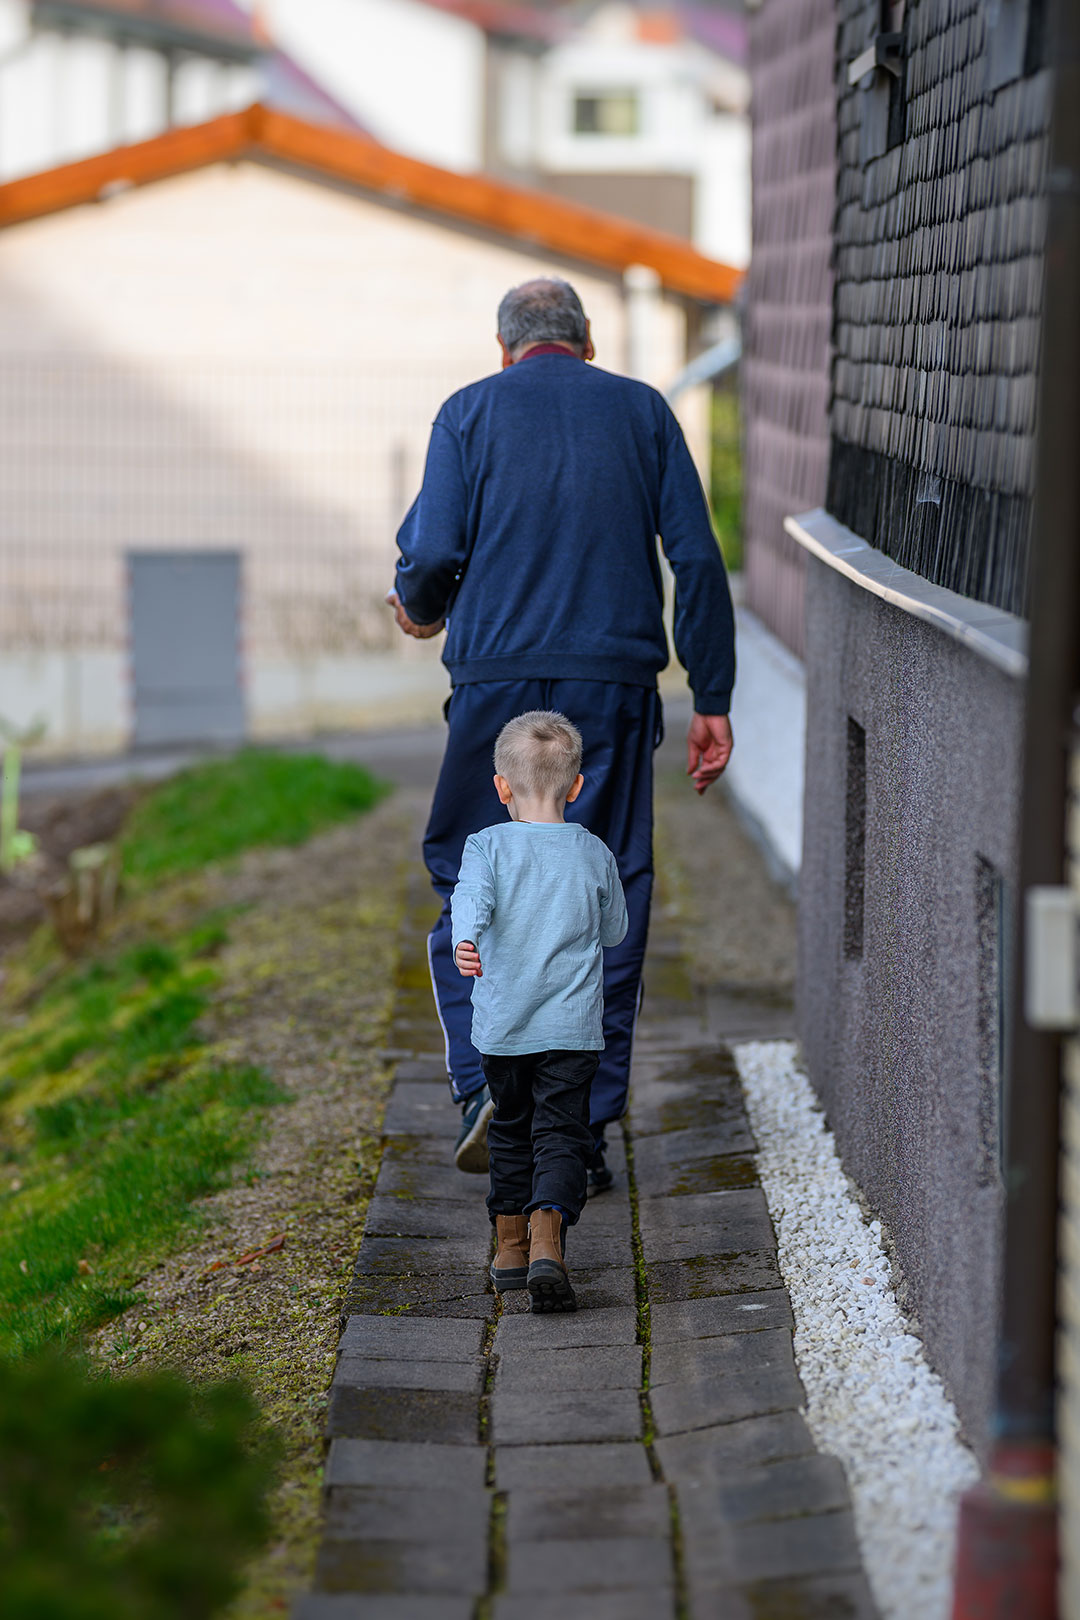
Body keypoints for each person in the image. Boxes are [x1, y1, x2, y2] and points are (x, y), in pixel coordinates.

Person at [388, 276, 735, 1183]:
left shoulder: (469, 411)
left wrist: (421, 607)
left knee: (470, 874)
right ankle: (576, 1127)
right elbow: (694, 557)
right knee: (608, 890)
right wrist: (712, 695)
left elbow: (429, 553)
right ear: (585, 344)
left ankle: (482, 1089)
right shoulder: (643, 411)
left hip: (496, 681)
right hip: (613, 685)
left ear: (504, 349)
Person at [451, 711, 627, 1313]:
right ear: (577, 787)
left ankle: (507, 1250)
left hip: (503, 1028)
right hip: (572, 1030)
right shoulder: (594, 853)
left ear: (502, 787)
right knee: (561, 1132)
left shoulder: (486, 846)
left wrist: (466, 939)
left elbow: (469, 898)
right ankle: (548, 1240)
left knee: (509, 1128)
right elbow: (614, 931)